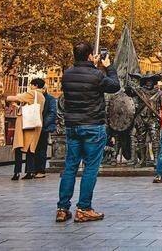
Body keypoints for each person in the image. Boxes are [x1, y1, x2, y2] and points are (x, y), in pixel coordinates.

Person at [56, 42, 120, 223]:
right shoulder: (97, 75)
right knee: (90, 167)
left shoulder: (67, 75)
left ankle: (62, 208)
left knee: (70, 166)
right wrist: (108, 67)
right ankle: (84, 208)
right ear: (91, 56)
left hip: (72, 125)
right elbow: (115, 86)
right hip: (93, 125)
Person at [6, 78, 47, 180]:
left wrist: (6, 97)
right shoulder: (42, 96)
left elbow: (17, 98)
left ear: (36, 85)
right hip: (36, 124)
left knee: (19, 147)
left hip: (26, 124)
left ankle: (17, 172)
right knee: (31, 149)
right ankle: (30, 172)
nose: (30, 87)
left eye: (31, 85)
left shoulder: (32, 93)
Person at [31, 78, 57, 178]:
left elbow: (52, 113)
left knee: (41, 148)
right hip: (34, 126)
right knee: (34, 148)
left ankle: (40, 170)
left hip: (43, 127)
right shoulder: (34, 98)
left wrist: (42, 123)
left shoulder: (50, 99)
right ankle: (32, 169)